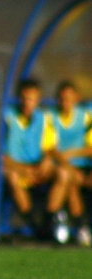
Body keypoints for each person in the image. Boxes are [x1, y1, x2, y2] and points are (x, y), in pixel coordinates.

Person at [1, 78, 69, 240]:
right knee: (12, 177)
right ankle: (34, 226)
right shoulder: (8, 117)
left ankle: (49, 220)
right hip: (16, 167)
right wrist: (23, 169)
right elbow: (0, 155)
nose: (27, 103)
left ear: (38, 100)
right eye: (24, 98)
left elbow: (50, 147)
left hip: (37, 168)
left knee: (64, 174)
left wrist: (46, 161)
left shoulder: (43, 119)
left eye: (31, 99)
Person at [48, 80, 92, 245]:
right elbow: (49, 148)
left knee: (70, 180)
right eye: (62, 98)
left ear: (76, 98)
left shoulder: (86, 116)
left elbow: (90, 148)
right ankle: (81, 226)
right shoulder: (51, 116)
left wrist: (70, 153)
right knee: (68, 178)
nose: (65, 102)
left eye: (69, 98)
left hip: (82, 166)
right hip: (61, 167)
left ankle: (59, 220)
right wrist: (65, 161)